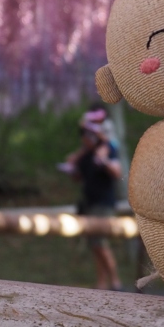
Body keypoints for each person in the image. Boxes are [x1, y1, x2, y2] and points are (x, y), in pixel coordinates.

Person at [61, 104, 124, 290]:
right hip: (89, 202)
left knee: (100, 242)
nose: (86, 139)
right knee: (94, 244)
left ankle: (115, 281)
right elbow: (78, 177)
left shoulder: (107, 149)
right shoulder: (85, 156)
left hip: (104, 203)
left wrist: (103, 160)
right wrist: (72, 168)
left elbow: (117, 172)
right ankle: (102, 283)